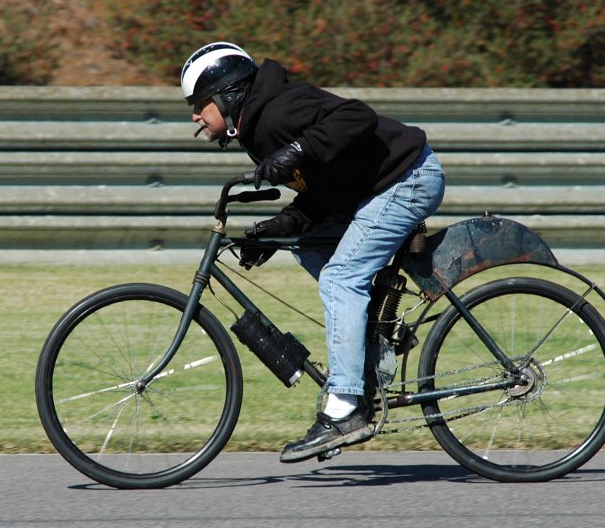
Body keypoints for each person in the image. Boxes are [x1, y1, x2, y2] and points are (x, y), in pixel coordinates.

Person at [181, 42, 446, 463]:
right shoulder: (257, 129)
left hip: (407, 179)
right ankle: (371, 350)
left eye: (199, 104)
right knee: (306, 244)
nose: (195, 116)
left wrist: (295, 152)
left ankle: (345, 407)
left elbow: (356, 116)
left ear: (227, 95)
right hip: (372, 191)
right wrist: (288, 222)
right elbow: (324, 182)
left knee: (342, 277)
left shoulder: (279, 110)